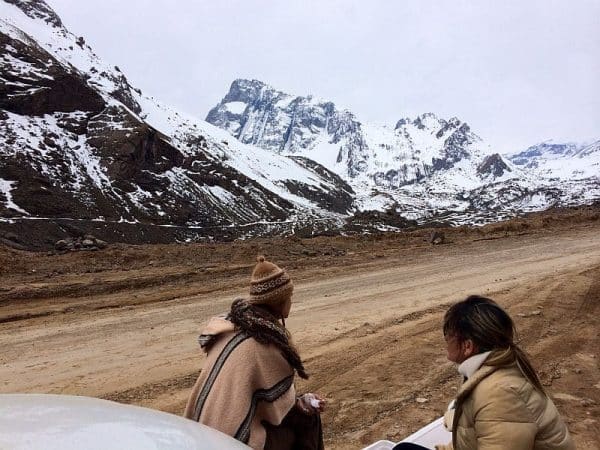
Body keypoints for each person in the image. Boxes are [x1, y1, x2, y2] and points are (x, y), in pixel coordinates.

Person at [184, 256, 325, 450]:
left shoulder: (232, 327)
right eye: (289, 296)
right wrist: (303, 404)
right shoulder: (266, 343)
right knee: (307, 420)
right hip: (232, 441)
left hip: (201, 431)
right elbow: (277, 410)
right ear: (278, 301)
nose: (291, 301)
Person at [434, 295, 574, 450]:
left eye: (448, 336)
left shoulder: (499, 394)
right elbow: (478, 438)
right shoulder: (496, 368)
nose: (445, 341)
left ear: (467, 346)